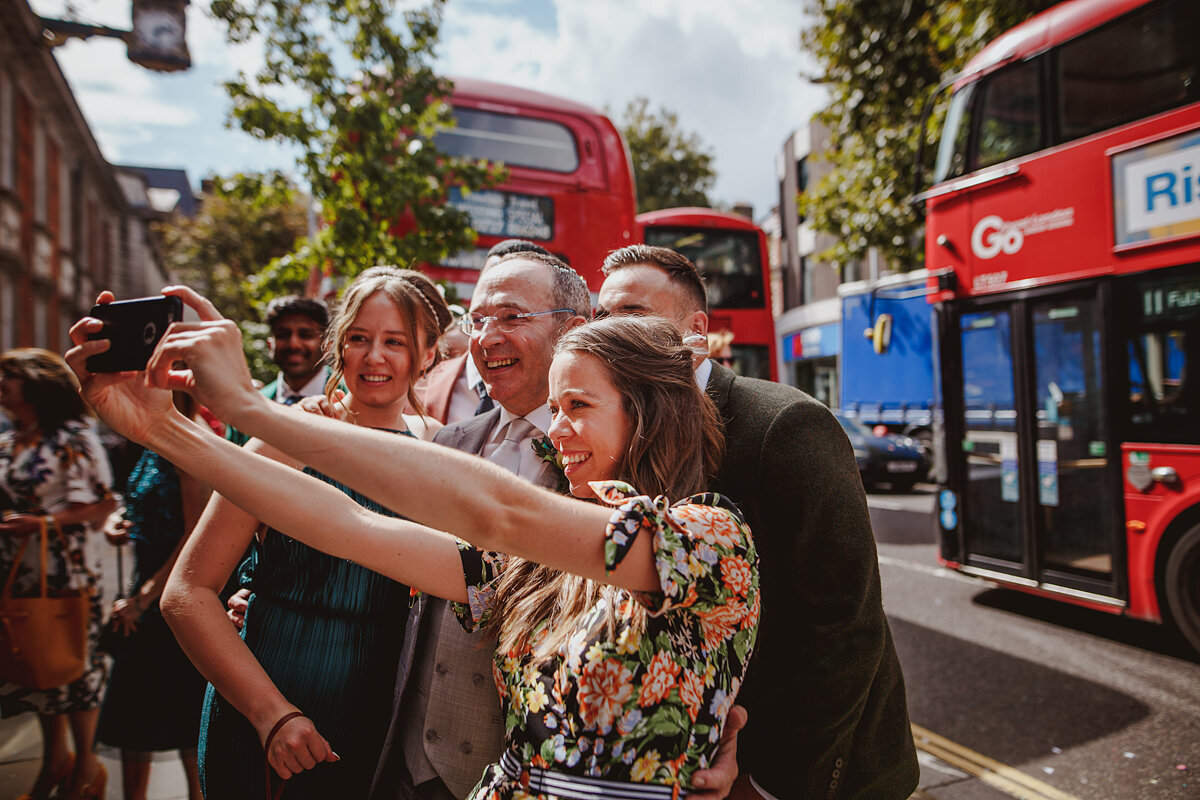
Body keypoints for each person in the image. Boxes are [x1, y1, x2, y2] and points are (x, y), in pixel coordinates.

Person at [67, 293, 758, 800]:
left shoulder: (708, 538)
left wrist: (250, 408)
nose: (555, 432)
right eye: (555, 411)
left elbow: (495, 510)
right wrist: (168, 434)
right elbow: (349, 525)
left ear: (651, 409)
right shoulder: (541, 566)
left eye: (577, 406)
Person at [597, 245, 920, 799]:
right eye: (603, 317)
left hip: (808, 773)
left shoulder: (785, 423)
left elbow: (844, 626)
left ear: (695, 328)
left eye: (631, 314)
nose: (611, 331)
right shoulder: (622, 425)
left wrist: (773, 784)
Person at [168, 267, 451, 799]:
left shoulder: (440, 450)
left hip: (376, 722)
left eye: (395, 342)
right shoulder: (284, 439)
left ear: (430, 353)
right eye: (359, 339)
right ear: (338, 346)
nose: (374, 358)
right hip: (267, 712)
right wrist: (270, 715)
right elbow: (186, 592)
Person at [0, 348, 116, 800]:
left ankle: (86, 766)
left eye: (7, 377)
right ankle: (55, 760)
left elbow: (104, 503)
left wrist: (42, 524)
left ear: (32, 383)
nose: (1, 386)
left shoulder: (73, 436)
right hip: (18, 571)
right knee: (36, 665)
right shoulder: (10, 440)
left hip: (68, 571)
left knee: (74, 666)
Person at [95, 392, 214, 800]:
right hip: (145, 586)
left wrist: (144, 599)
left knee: (180, 720)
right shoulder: (152, 437)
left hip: (173, 596)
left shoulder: (188, 440)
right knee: (135, 722)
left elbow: (195, 535)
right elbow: (138, 498)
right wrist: (120, 519)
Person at [420, 240, 552, 425]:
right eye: (478, 319)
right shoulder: (428, 383)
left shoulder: (572, 398)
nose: (488, 338)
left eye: (512, 317)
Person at [226, 295, 330, 445]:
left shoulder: (352, 400)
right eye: (283, 335)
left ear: (326, 344)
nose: (294, 344)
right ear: (270, 344)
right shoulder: (245, 408)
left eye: (305, 335)